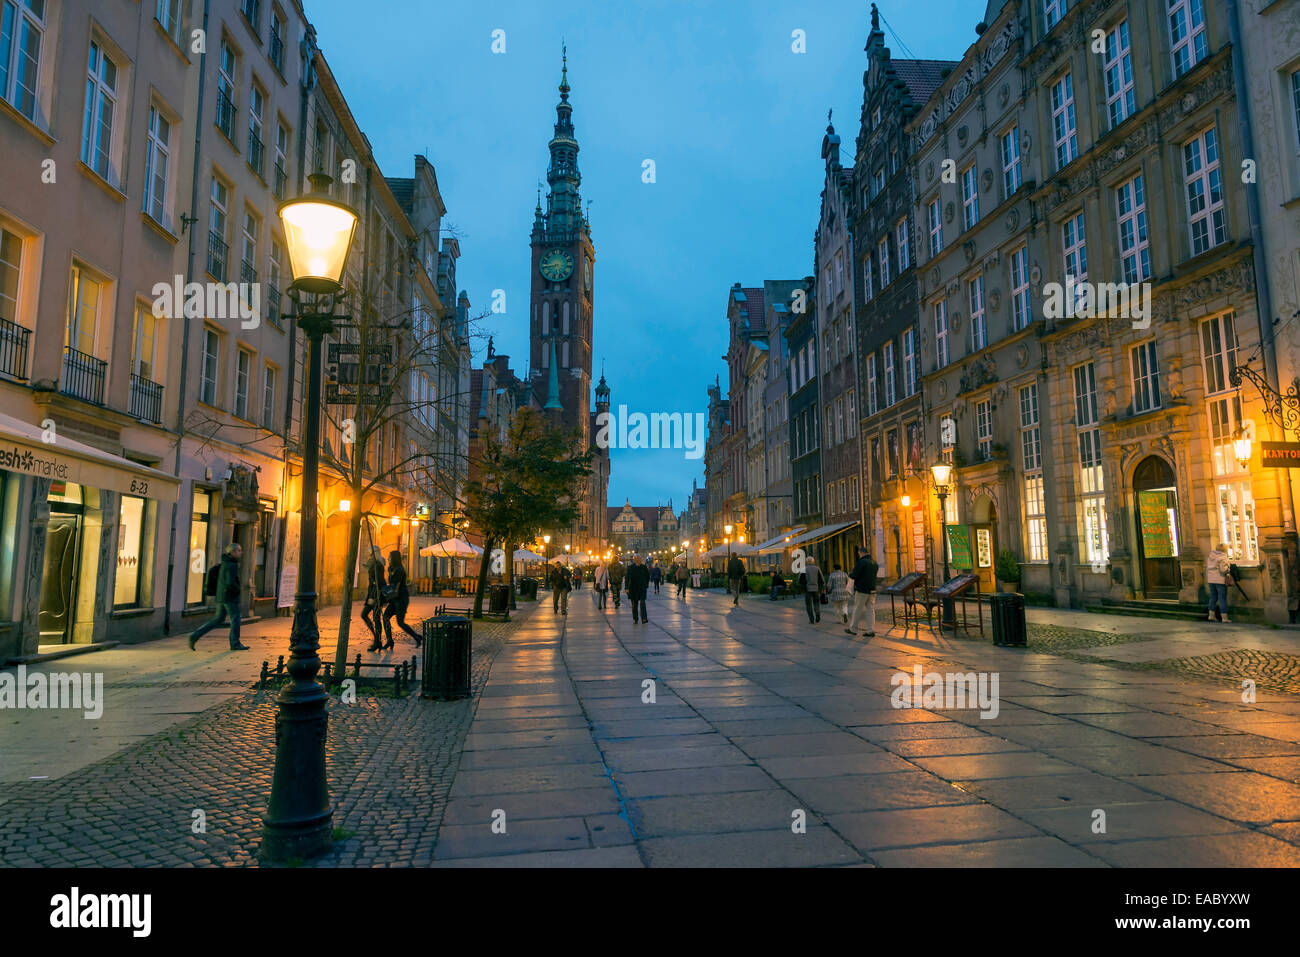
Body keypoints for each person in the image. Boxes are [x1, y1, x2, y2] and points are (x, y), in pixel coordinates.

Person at [189, 543, 250, 650]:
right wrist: (237, 590)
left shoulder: (225, 562)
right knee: (236, 618)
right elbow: (230, 582)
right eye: (239, 550)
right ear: (232, 552)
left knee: (218, 619)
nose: (241, 552)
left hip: (222, 596)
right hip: (229, 597)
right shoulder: (232, 564)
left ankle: (195, 635)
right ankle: (235, 643)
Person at [382, 550, 422, 647]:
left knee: (400, 622)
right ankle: (390, 640)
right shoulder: (392, 569)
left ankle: (416, 637)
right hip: (394, 599)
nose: (388, 559)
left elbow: (395, 586)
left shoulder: (400, 570)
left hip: (401, 599)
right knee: (385, 617)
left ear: (394, 558)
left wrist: (385, 597)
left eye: (390, 557)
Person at [846, 545, 879, 637]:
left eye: (859, 553)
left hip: (862, 589)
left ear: (861, 552)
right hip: (872, 589)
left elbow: (854, 575)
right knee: (870, 609)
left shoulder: (861, 562)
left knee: (857, 609)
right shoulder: (874, 562)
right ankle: (871, 629)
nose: (859, 555)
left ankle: (853, 628)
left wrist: (851, 574)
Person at [362, 548, 388, 652]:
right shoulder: (374, 564)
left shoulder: (378, 565)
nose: (369, 556)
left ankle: (377, 641)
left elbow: (379, 582)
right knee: (372, 617)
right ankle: (377, 640)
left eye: (371, 554)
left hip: (376, 595)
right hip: (372, 593)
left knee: (375, 618)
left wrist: (374, 597)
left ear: (375, 554)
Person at [1206, 542, 1231, 623]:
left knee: (1213, 597)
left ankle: (1211, 615)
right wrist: (1228, 568)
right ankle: (1224, 617)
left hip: (1211, 580)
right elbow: (1223, 570)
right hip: (1220, 580)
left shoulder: (1210, 556)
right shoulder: (1223, 557)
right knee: (1222, 598)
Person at [800, 556, 825, 624]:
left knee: (808, 604)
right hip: (816, 589)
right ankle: (817, 614)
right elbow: (821, 579)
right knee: (816, 602)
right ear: (813, 561)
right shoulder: (817, 568)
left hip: (807, 589)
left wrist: (803, 586)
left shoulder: (804, 569)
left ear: (807, 562)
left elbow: (800, 580)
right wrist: (821, 587)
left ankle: (811, 619)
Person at [626, 554, 651, 623]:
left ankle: (644, 618)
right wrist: (626, 588)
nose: (639, 560)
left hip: (642, 587)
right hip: (633, 588)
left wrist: (646, 584)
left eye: (640, 559)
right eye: (637, 559)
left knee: (643, 603)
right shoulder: (630, 567)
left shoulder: (644, 567)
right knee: (634, 604)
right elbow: (627, 578)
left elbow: (647, 576)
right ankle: (635, 618)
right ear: (634, 560)